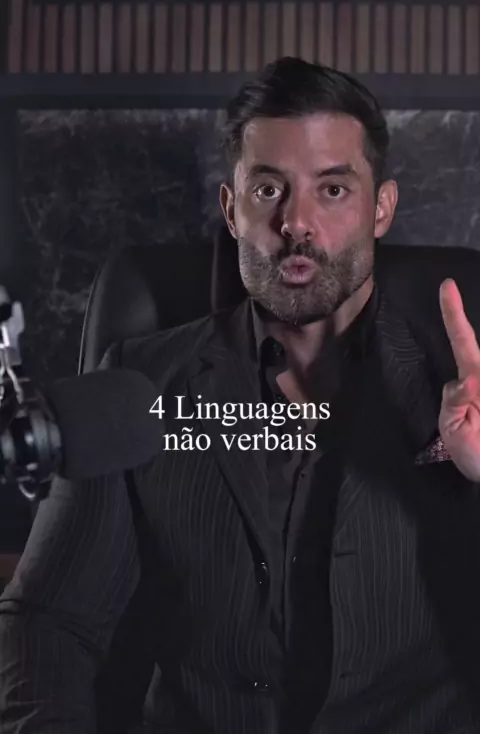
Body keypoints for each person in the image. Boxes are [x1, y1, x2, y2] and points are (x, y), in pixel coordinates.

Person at [1, 57, 480, 734]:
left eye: (333, 189)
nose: (297, 222)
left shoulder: (461, 382)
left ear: (381, 209)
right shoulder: (140, 385)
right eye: (268, 189)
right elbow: (50, 619)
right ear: (232, 209)